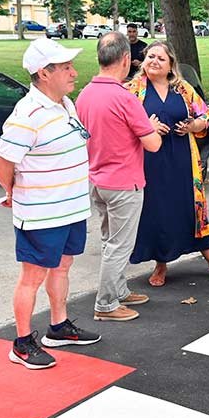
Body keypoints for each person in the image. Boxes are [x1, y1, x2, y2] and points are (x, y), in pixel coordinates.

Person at [0, 38, 99, 370]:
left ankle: (59, 326)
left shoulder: (66, 104)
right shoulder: (27, 115)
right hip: (41, 213)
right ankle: (22, 343)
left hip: (71, 209)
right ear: (44, 73)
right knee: (32, 277)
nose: (74, 73)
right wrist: (13, 192)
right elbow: (1, 163)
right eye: (65, 68)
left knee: (63, 267)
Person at [75, 32, 163, 323]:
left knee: (108, 240)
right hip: (124, 182)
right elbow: (153, 144)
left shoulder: (85, 94)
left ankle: (119, 289)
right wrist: (149, 126)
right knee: (119, 245)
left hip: (97, 178)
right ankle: (106, 303)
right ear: (126, 59)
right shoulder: (125, 97)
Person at [126, 41, 209, 287]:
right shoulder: (133, 89)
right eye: (150, 56)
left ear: (171, 64)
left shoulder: (182, 89)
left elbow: (205, 115)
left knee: (193, 210)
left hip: (183, 159)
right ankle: (161, 265)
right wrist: (146, 128)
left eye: (161, 58)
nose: (154, 61)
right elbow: (121, 122)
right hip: (150, 161)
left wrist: (194, 125)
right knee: (158, 211)